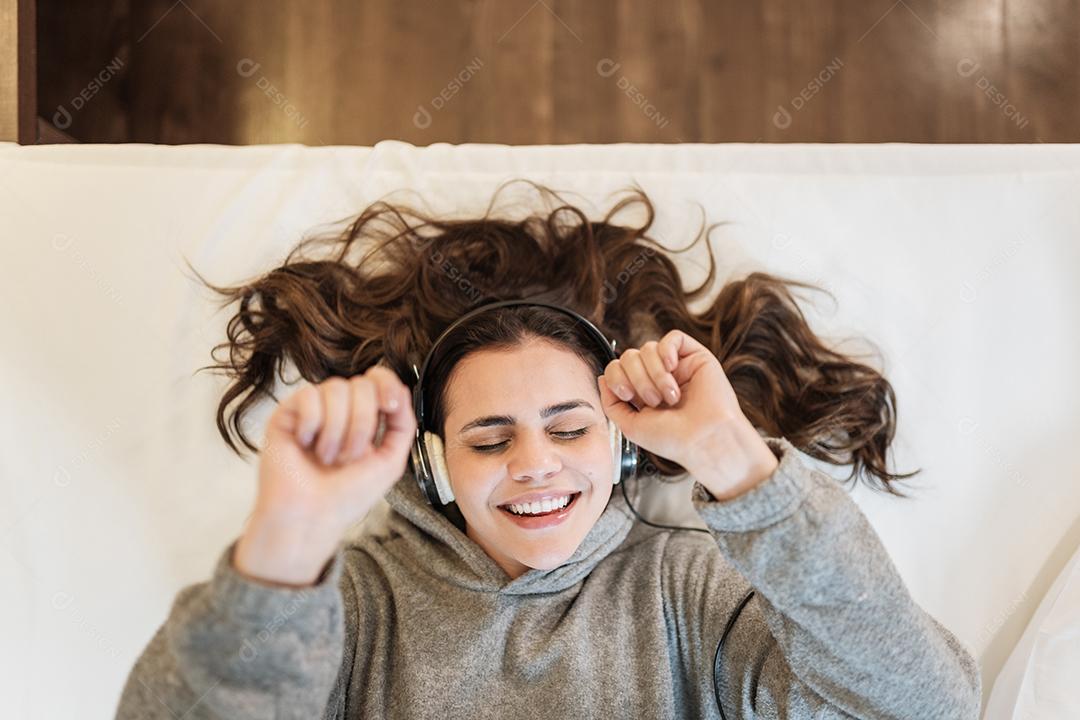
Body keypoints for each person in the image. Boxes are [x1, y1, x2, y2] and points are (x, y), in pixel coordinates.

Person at [115, 182, 982, 719]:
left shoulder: (687, 593)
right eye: (489, 438)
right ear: (433, 463)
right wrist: (287, 538)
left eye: (569, 429)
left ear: (623, 447)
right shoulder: (352, 611)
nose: (536, 462)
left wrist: (736, 461)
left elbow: (925, 707)